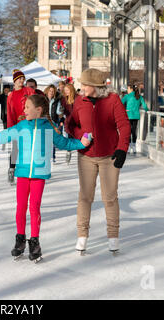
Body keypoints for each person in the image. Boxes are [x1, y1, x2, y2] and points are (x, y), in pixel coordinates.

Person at [0, 94, 90, 262]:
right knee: (21, 207)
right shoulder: (22, 126)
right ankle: (20, 240)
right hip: (23, 173)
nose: (24, 110)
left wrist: (81, 144)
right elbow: (4, 135)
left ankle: (34, 242)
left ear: (38, 110)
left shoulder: (49, 129)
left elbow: (64, 143)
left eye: (27, 107)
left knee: (34, 207)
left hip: (39, 174)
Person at [66, 68, 131, 254]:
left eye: (85, 84)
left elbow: (124, 125)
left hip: (109, 156)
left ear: (95, 86)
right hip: (86, 155)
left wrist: (121, 149)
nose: (82, 87)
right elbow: (70, 125)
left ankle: (113, 237)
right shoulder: (80, 101)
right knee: (85, 197)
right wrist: (81, 136)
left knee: (109, 197)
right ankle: (82, 236)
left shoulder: (113, 100)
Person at [7, 70, 35, 184]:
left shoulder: (28, 91)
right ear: (14, 81)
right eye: (19, 79)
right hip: (17, 126)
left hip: (29, 124)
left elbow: (37, 103)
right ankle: (12, 169)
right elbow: (9, 113)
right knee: (16, 148)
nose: (22, 81)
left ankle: (28, 171)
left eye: (23, 78)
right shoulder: (11, 96)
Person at [121, 84, 149, 154]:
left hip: (128, 115)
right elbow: (145, 105)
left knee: (128, 131)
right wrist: (147, 110)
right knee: (134, 130)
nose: (127, 90)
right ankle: (134, 146)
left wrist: (124, 110)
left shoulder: (127, 96)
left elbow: (120, 103)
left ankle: (129, 146)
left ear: (131, 89)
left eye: (128, 89)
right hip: (136, 116)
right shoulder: (139, 96)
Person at [58, 83, 77, 164]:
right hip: (69, 121)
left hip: (77, 120)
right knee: (70, 136)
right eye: (65, 90)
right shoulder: (63, 100)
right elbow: (62, 111)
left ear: (71, 90)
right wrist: (61, 119)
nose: (66, 92)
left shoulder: (77, 98)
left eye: (67, 90)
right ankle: (69, 152)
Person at [44, 84, 60, 162]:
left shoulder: (56, 100)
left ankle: (52, 156)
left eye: (53, 91)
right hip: (45, 121)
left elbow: (58, 111)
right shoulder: (43, 99)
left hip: (54, 121)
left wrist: (61, 114)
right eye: (50, 91)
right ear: (47, 91)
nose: (51, 92)